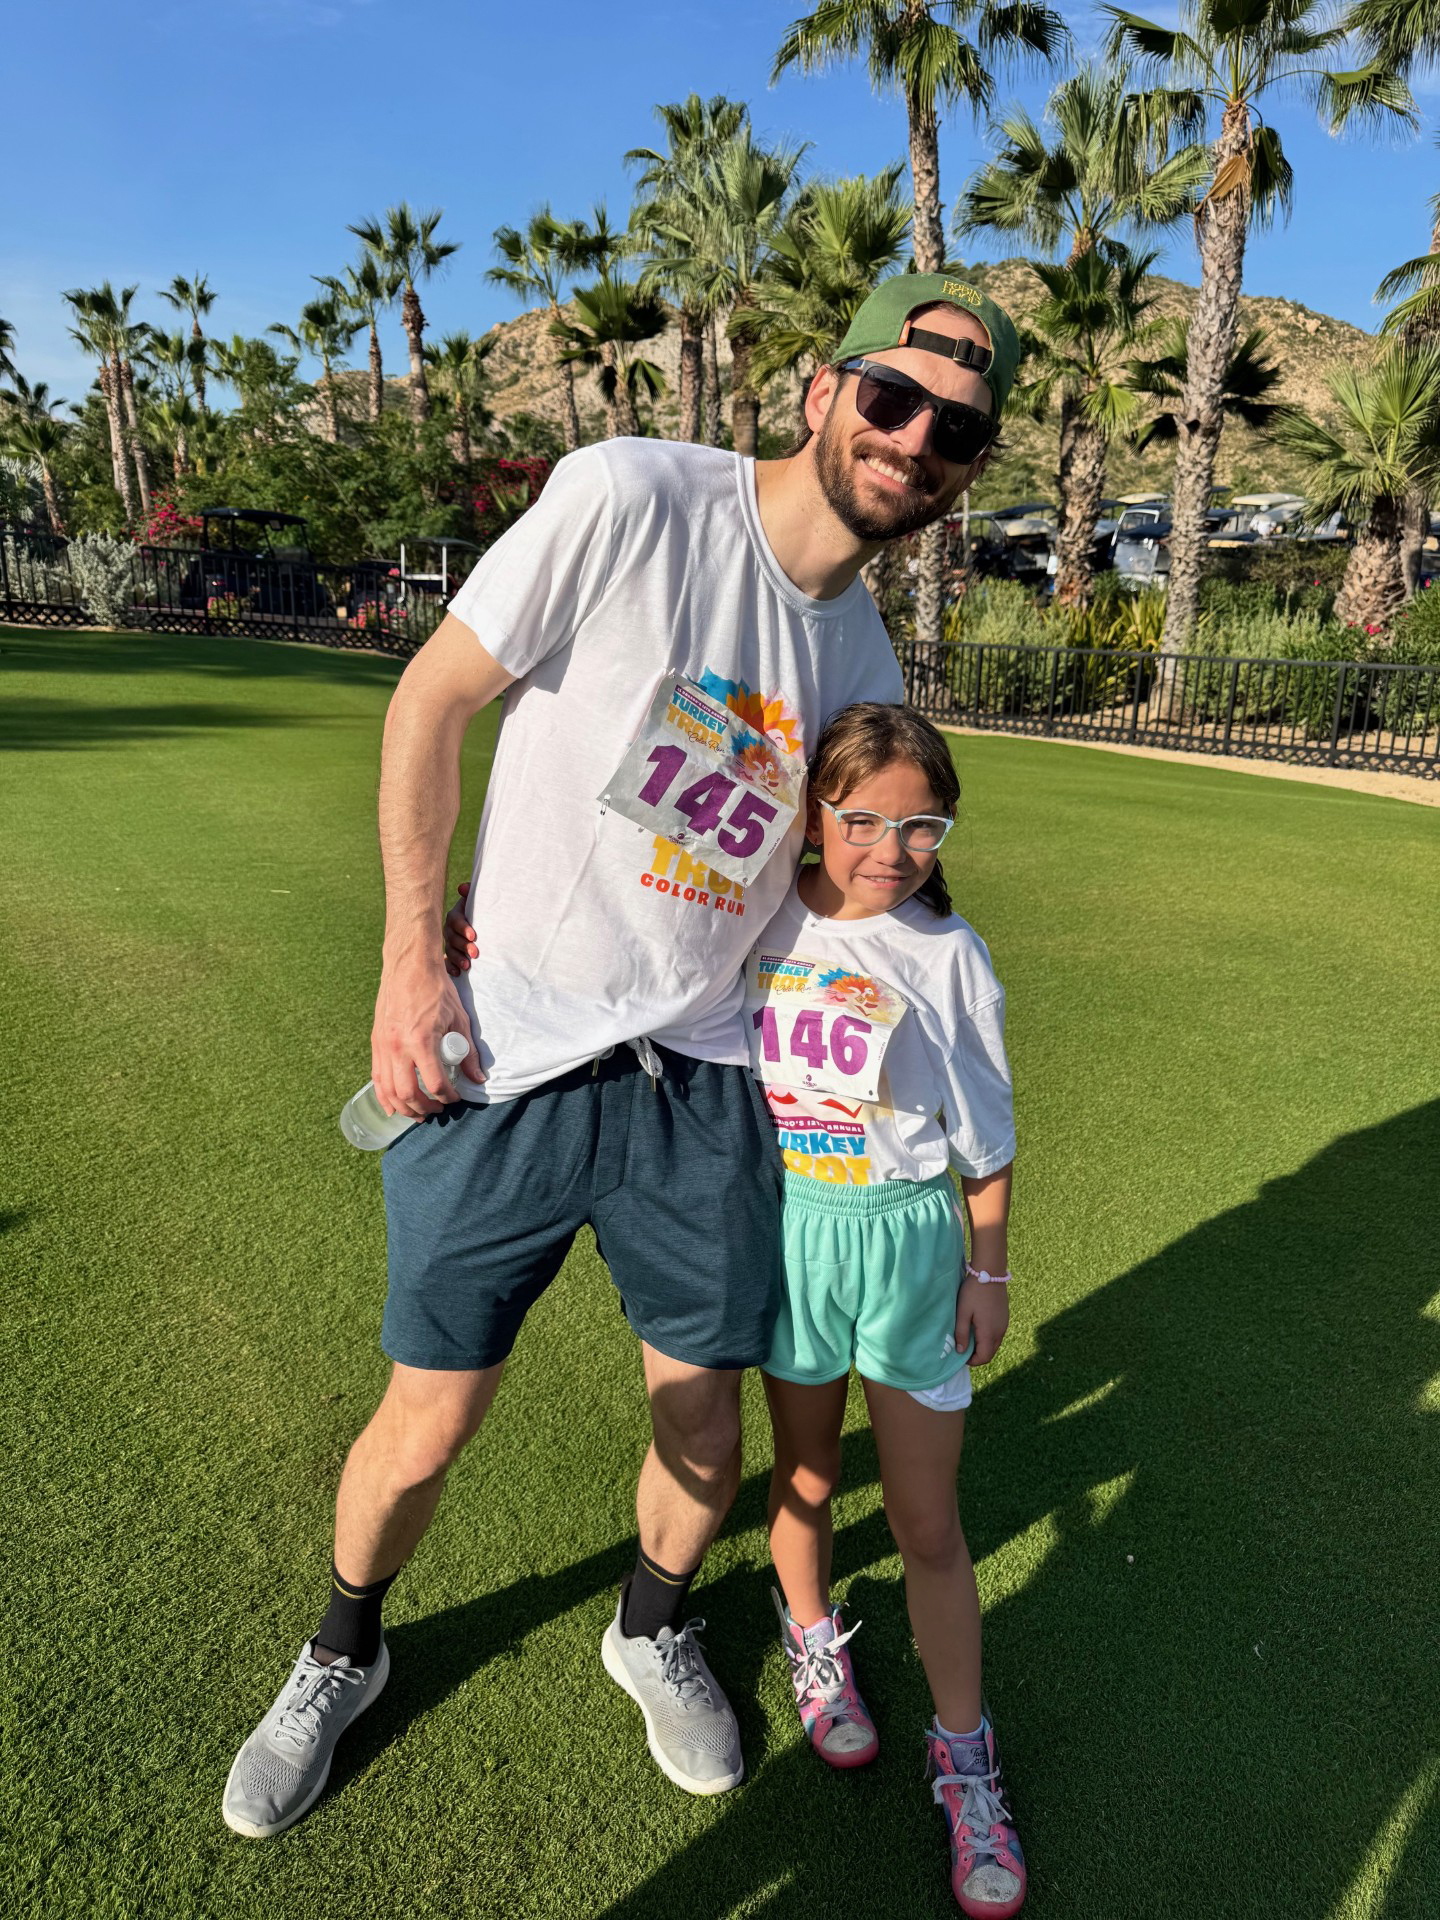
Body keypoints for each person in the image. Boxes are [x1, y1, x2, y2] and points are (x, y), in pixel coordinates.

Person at [221, 275, 1021, 1841]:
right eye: (895, 396)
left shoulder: (860, 665)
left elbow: (840, 889)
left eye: (959, 429)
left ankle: (651, 1623)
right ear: (822, 389)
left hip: (703, 1083)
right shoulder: (633, 496)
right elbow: (434, 699)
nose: (917, 437)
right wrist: (406, 959)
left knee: (707, 1429)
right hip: (506, 1044)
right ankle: (341, 1650)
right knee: (430, 1417)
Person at [445, 701, 1021, 1914]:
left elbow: (987, 1140)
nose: (890, 847)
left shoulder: (947, 954)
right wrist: (470, 934)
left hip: (909, 1246)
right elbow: (635, 928)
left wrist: (988, 1269)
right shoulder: (759, 918)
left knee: (926, 1521)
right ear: (814, 813)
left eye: (922, 824)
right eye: (861, 817)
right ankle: (816, 1644)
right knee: (804, 1478)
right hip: (789, 1230)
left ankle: (966, 1761)